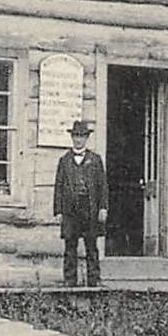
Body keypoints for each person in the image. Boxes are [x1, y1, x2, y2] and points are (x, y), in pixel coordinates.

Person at [53, 120, 107, 288]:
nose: (78, 140)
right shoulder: (65, 161)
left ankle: (93, 281)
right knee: (70, 245)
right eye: (76, 136)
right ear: (71, 137)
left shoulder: (95, 160)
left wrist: (103, 207)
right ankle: (70, 282)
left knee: (91, 245)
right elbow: (59, 186)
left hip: (89, 208)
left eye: (82, 136)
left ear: (87, 138)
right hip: (70, 210)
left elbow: (102, 185)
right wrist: (58, 211)